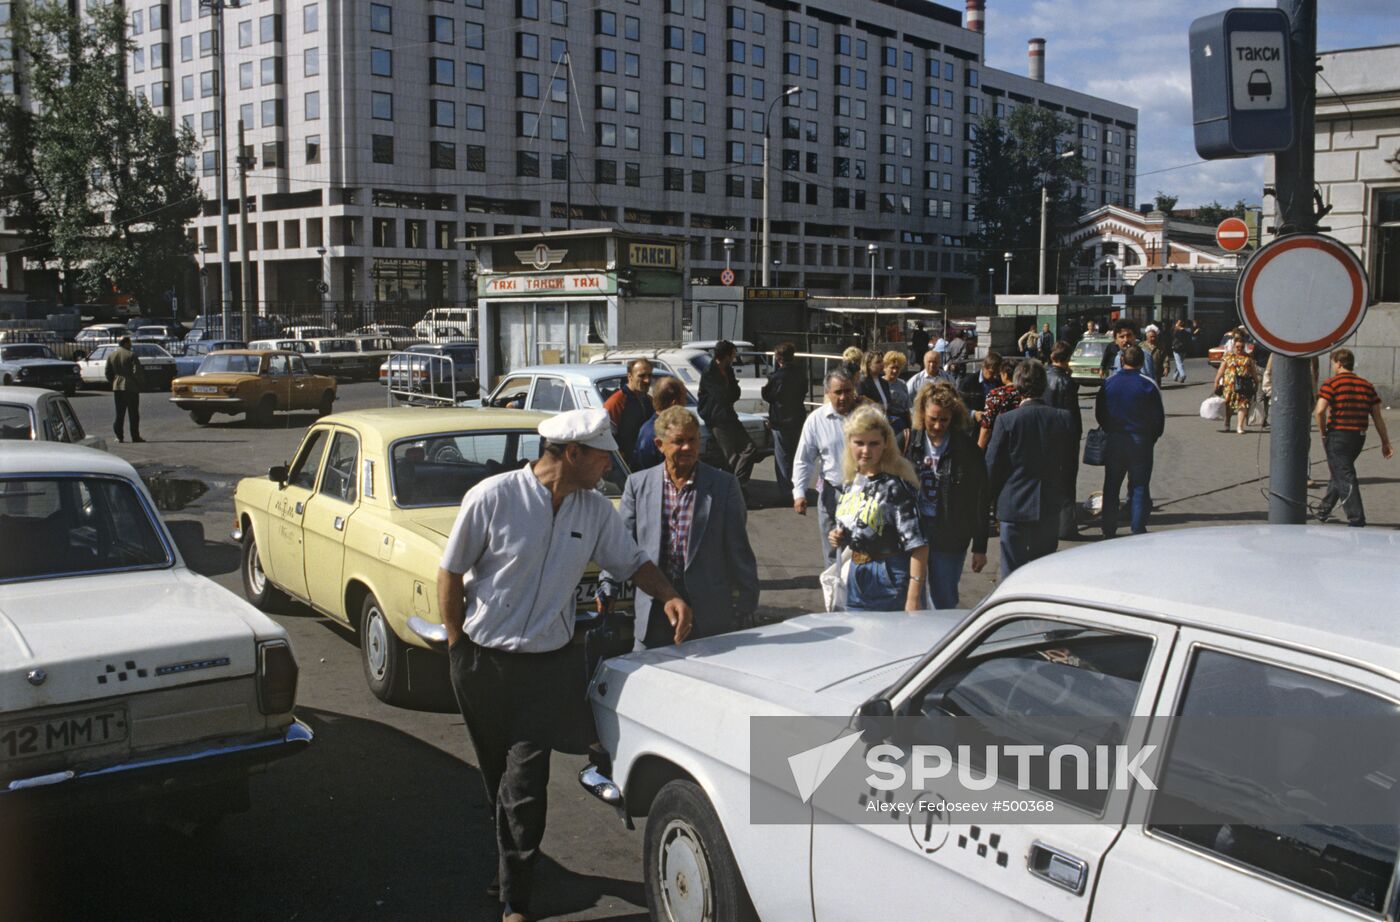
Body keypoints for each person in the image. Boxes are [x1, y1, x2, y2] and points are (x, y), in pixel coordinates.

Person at [436, 409, 693, 922]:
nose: (609, 467)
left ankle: (517, 900)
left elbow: (631, 561)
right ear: (572, 455)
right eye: (602, 458)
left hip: (547, 669)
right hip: (483, 665)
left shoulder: (594, 511)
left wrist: (668, 595)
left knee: (525, 782)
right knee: (498, 780)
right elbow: (450, 573)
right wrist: (456, 644)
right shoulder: (493, 497)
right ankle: (509, 866)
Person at [602, 406, 759, 646]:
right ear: (659, 445)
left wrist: (746, 604)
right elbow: (623, 543)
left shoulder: (723, 486)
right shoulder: (638, 485)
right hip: (654, 606)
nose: (687, 448)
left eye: (692, 440)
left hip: (708, 612)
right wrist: (609, 584)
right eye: (678, 441)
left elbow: (738, 550)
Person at [828, 405, 928, 611]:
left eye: (874, 443)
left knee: (888, 638)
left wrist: (913, 598)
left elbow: (919, 545)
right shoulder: (852, 482)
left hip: (888, 573)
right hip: (856, 571)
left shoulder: (895, 486)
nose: (866, 450)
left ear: (885, 445)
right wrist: (838, 536)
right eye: (859, 443)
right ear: (849, 443)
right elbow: (856, 526)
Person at [985, 359, 1075, 577]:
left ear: (1017, 386)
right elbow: (1069, 463)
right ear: (1043, 385)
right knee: (1042, 572)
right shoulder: (1063, 418)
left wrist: (991, 501)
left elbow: (992, 465)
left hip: (1013, 505)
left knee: (1010, 572)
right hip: (1048, 503)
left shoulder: (1007, 420)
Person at [905, 383, 988, 608]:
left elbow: (980, 498)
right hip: (915, 531)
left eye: (945, 419)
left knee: (944, 597)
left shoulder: (966, 449)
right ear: (922, 413)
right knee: (913, 597)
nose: (938, 425)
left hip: (950, 533)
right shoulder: (908, 441)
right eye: (933, 418)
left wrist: (980, 546)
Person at [1314, 348, 1393, 527]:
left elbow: (1319, 411)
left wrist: (1323, 432)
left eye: (1333, 363)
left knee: (1345, 474)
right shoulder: (1366, 385)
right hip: (1358, 437)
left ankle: (1356, 518)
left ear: (1338, 363)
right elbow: (1377, 417)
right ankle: (1323, 510)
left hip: (1338, 435)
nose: (1333, 366)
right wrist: (1385, 442)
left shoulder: (1331, 384)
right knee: (1340, 471)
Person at [792, 370, 860, 567]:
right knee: (833, 553)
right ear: (828, 393)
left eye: (848, 391)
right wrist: (799, 492)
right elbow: (804, 459)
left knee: (862, 551)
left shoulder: (866, 415)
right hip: (832, 494)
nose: (843, 397)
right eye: (838, 392)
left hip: (863, 495)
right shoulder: (816, 420)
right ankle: (835, 596)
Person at [1096, 345, 1165, 537]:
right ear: (1142, 362)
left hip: (1115, 439)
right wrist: (1151, 437)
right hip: (1140, 440)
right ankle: (1137, 528)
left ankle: (1108, 528)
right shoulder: (1148, 384)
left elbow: (1100, 413)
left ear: (1122, 361)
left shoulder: (1108, 383)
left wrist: (1110, 430)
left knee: (1111, 485)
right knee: (1139, 485)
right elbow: (1158, 419)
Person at [697, 340, 756, 485]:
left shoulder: (728, 369)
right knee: (730, 457)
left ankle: (737, 483)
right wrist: (730, 392)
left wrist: (730, 392)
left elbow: (734, 394)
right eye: (733, 354)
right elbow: (722, 395)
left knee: (750, 448)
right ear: (726, 355)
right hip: (717, 419)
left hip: (729, 415)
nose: (735, 357)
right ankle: (736, 488)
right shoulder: (710, 372)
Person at [1045, 341, 1082, 539]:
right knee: (1067, 484)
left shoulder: (1042, 376)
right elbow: (1071, 416)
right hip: (1064, 439)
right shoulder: (1066, 383)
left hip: (1045, 437)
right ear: (1068, 359)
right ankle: (1066, 527)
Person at [603, 358, 653, 467]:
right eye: (642, 376)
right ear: (630, 376)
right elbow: (605, 437)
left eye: (649, 375)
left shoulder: (649, 401)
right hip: (626, 467)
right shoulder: (616, 402)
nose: (647, 380)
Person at [633, 376, 689, 470]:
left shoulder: (647, 428)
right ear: (674, 403)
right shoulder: (662, 434)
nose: (685, 404)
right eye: (684, 399)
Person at [1212, 335, 1260, 434]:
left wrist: (1256, 381)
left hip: (1244, 385)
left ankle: (1239, 426)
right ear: (1234, 346)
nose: (1240, 349)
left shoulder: (1248, 358)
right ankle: (1227, 423)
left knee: (1243, 405)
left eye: (1242, 347)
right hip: (1230, 385)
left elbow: (1253, 371)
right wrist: (1216, 381)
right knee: (1229, 405)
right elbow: (1221, 370)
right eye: (1237, 347)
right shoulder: (1228, 356)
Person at [104, 335, 146, 443]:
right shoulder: (131, 355)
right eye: (130, 343)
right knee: (133, 413)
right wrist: (139, 384)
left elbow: (108, 372)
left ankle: (119, 436)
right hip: (131, 387)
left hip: (117, 387)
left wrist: (114, 381)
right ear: (126, 343)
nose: (131, 345)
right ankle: (135, 436)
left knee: (119, 413)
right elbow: (137, 372)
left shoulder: (112, 355)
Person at [976, 356, 1020, 451]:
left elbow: (987, 426)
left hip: (1000, 442)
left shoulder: (995, 394)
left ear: (1004, 375)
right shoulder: (1025, 393)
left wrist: (978, 451)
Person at [881, 350, 912, 445]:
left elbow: (908, 407)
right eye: (892, 367)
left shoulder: (902, 383)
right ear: (885, 368)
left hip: (903, 423)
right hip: (888, 424)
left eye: (897, 368)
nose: (895, 371)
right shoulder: (881, 384)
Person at [1142, 325, 1168, 390]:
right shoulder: (1141, 346)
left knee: (1156, 388)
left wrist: (1166, 368)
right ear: (1147, 336)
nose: (1153, 338)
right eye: (1151, 337)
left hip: (1157, 371)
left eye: (1154, 337)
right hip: (1145, 370)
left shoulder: (1160, 346)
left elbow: (1165, 358)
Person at [1170, 319, 1191, 384]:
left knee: (1179, 363)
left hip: (1177, 349)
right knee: (1179, 363)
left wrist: (1177, 328)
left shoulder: (1176, 331)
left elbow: (1172, 334)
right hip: (1184, 349)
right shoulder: (1187, 331)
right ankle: (1175, 376)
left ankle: (1182, 375)